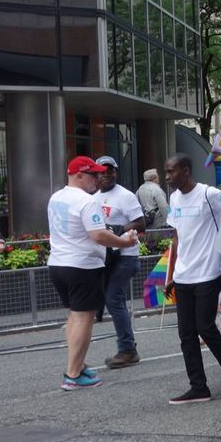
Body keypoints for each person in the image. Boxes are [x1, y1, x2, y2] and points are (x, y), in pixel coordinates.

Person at [47, 156, 138, 390]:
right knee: (83, 318)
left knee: (74, 317)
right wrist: (124, 242)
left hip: (58, 263)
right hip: (82, 266)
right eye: (93, 174)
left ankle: (76, 364)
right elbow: (98, 235)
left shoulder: (56, 197)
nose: (98, 179)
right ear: (79, 175)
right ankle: (74, 374)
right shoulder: (87, 201)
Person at [164, 153, 221, 405]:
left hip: (209, 272)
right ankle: (198, 387)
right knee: (186, 333)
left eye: (172, 172)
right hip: (184, 275)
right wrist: (171, 274)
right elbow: (177, 236)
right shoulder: (174, 198)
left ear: (186, 171)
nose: (168, 177)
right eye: (166, 172)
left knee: (205, 327)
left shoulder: (208, 194)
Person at [93, 156, 146, 369]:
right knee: (112, 300)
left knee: (114, 299)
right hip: (106, 258)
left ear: (116, 172)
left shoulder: (126, 195)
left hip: (126, 256)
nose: (107, 174)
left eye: (111, 170)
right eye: (102, 171)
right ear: (96, 174)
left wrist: (120, 229)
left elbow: (141, 223)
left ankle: (127, 350)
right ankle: (126, 348)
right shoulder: (94, 197)